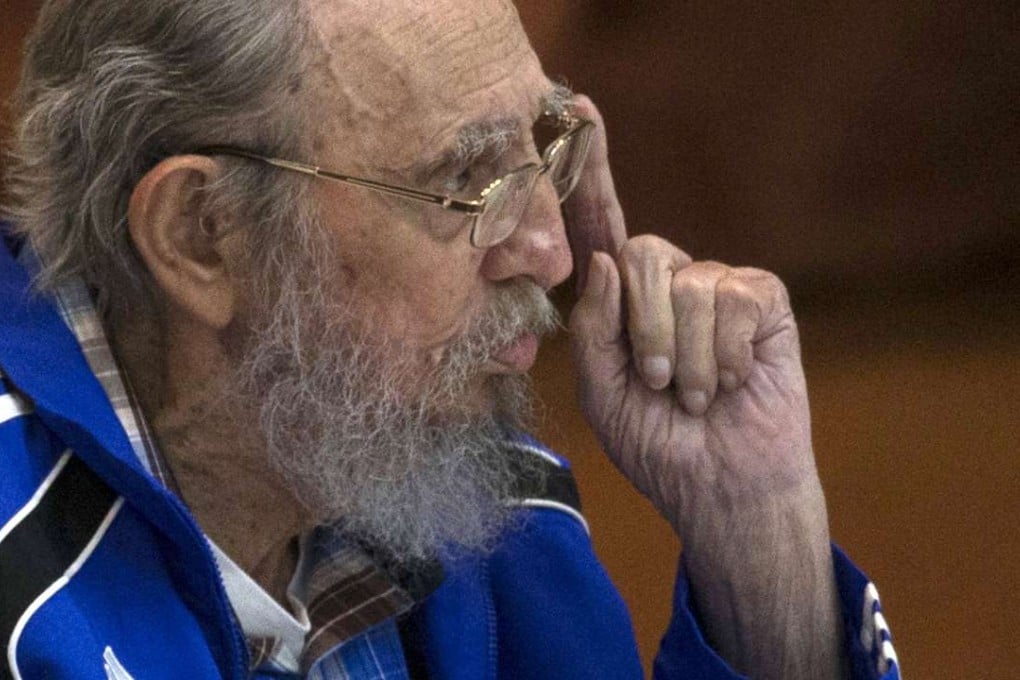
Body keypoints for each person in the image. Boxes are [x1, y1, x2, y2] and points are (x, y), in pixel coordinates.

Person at [0, 1, 899, 678]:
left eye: (548, 145)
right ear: (202, 234)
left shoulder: (464, 491)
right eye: (465, 181)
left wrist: (757, 538)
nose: (551, 253)